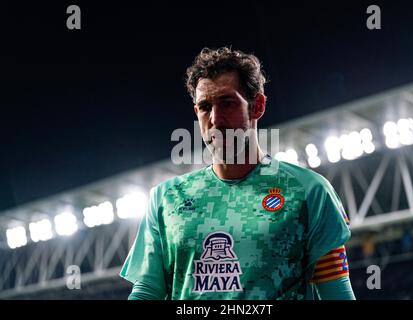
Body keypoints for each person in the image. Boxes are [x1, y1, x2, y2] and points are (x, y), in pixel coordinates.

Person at [120, 47, 355, 300]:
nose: (215, 119)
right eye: (204, 107)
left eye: (228, 103)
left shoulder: (310, 192)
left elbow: (337, 293)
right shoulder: (165, 198)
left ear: (258, 106)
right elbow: (146, 292)